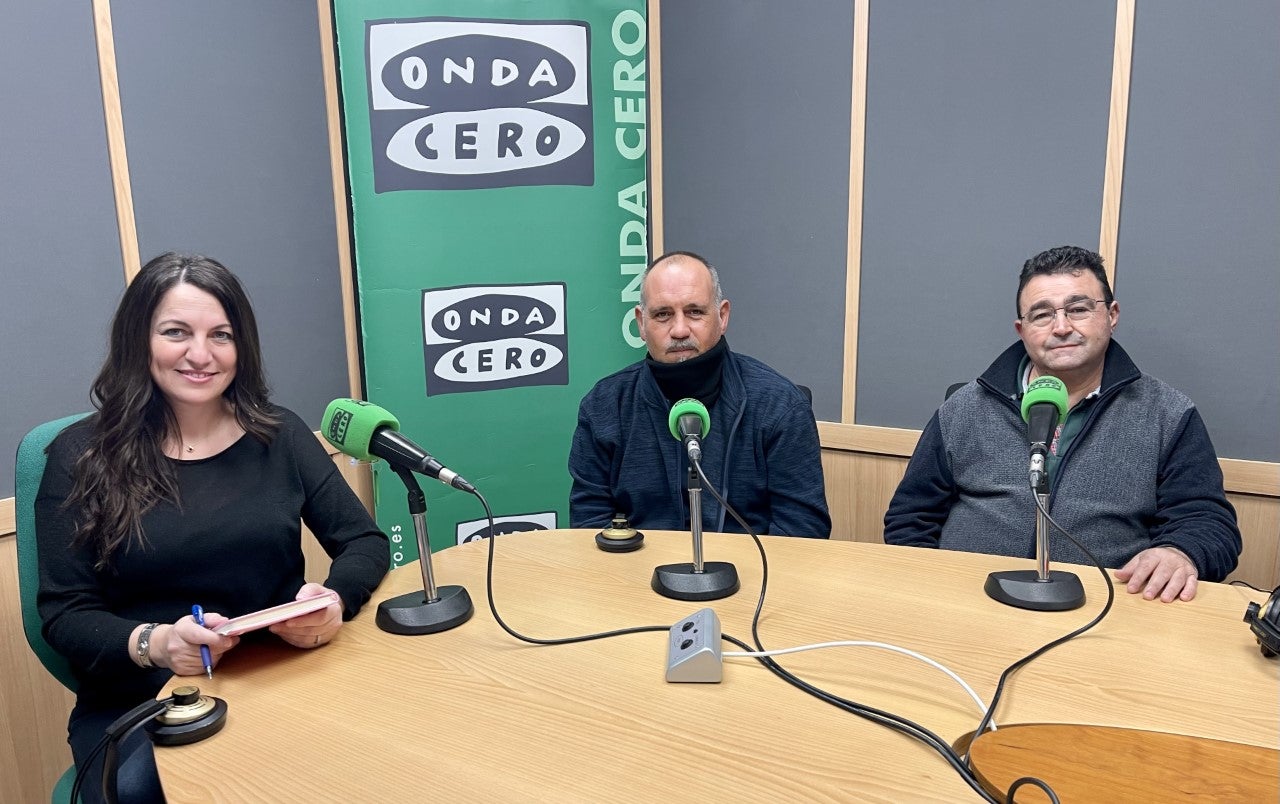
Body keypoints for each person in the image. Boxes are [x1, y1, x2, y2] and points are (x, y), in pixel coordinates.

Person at [36, 253, 389, 802]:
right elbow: (65, 615)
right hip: (147, 701)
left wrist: (335, 602)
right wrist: (156, 643)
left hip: (279, 677)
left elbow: (362, 542)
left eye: (220, 335)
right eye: (176, 332)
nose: (200, 355)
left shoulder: (280, 434)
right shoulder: (79, 456)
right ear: (139, 340)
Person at [883, 245, 1240, 602]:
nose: (1062, 327)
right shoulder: (964, 408)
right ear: (1021, 329)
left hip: (1105, 611)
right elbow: (911, 516)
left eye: (1078, 309)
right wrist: (929, 588)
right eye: (1041, 315)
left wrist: (1179, 553)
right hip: (968, 601)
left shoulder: (1168, 413)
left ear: (1112, 315)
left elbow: (1207, 522)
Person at [569, 251, 831, 538]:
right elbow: (589, 524)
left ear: (722, 316)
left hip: (752, 577)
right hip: (635, 576)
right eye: (663, 314)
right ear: (641, 324)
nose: (680, 330)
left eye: (695, 311)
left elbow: (803, 530)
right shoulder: (605, 405)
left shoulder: (780, 404)